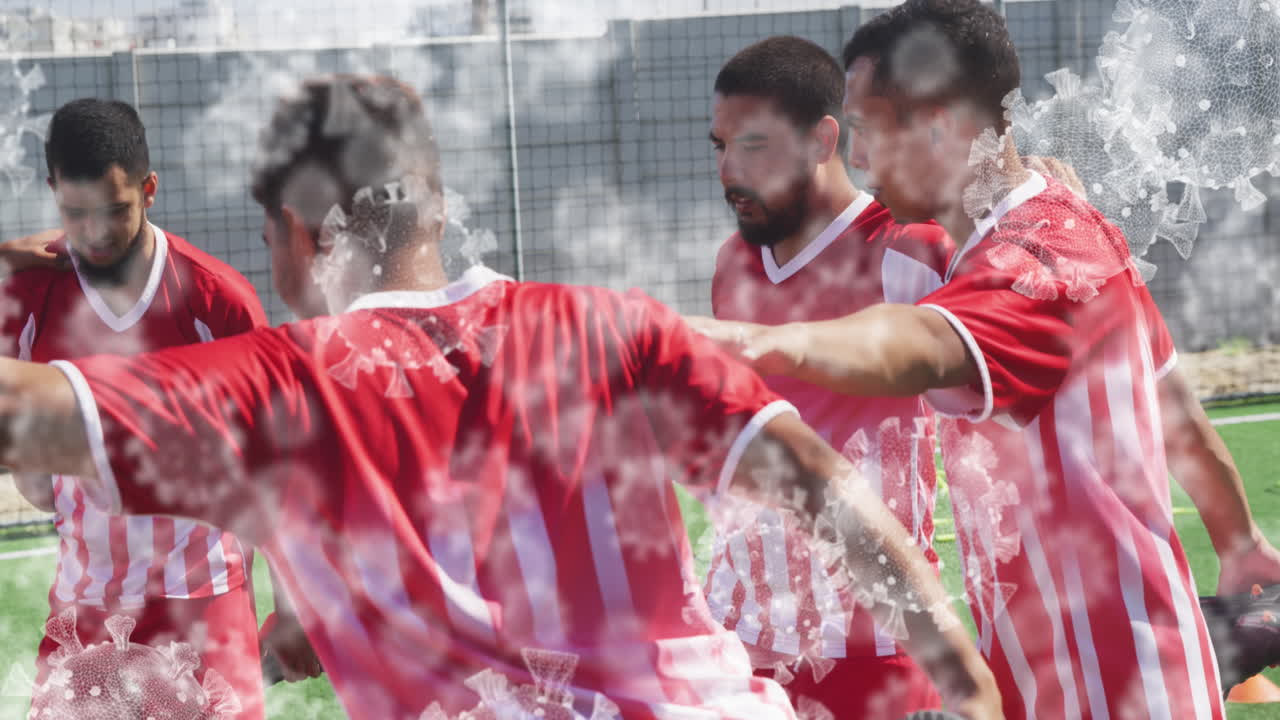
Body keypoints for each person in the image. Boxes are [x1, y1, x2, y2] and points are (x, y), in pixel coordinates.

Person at [0, 74, 1003, 720]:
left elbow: (20, 414)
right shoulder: (614, 322)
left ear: (302, 234)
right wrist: (961, 684)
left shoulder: (290, 378)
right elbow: (824, 488)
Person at [685, 1, 1280, 718]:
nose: (860, 157)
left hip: (1113, 688)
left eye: (869, 130)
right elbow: (1171, 404)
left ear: (938, 127)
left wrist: (750, 343)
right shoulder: (1054, 223)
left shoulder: (1036, 258)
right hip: (1039, 678)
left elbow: (920, 347)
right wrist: (1240, 541)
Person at [1, 98, 314, 720]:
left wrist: (298, 608)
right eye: (75, 213)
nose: (95, 232)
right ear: (52, 191)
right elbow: (32, 477)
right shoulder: (29, 294)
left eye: (116, 211)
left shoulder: (216, 298)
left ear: (149, 189)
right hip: (85, 608)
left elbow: (277, 465)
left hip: (204, 604)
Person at [704, 35, 953, 718]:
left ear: (822, 140)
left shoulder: (913, 250)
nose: (728, 169)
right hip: (743, 639)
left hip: (878, 643)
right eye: (719, 146)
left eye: (751, 146)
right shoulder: (731, 261)